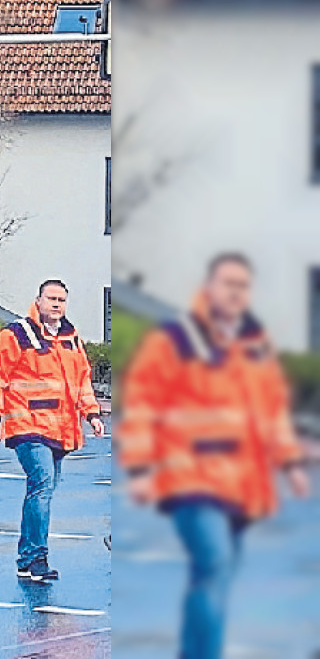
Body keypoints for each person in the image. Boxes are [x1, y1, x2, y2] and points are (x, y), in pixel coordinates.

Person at [117, 254, 309, 659]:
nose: (236, 293)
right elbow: (142, 405)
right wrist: (138, 467)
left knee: (216, 578)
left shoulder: (254, 344)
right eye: (228, 284)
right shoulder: (176, 341)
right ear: (209, 288)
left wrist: (291, 462)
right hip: (191, 478)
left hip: (244, 481)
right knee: (215, 565)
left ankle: (197, 650)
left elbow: (272, 410)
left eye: (243, 286)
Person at [0, 279, 105, 582]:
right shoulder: (17, 335)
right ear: (38, 300)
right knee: (42, 484)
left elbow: (82, 381)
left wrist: (92, 414)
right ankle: (37, 557)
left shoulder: (71, 339)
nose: (56, 304)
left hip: (60, 428)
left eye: (61, 299)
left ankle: (26, 559)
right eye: (51, 298)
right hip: (27, 425)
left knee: (42, 490)